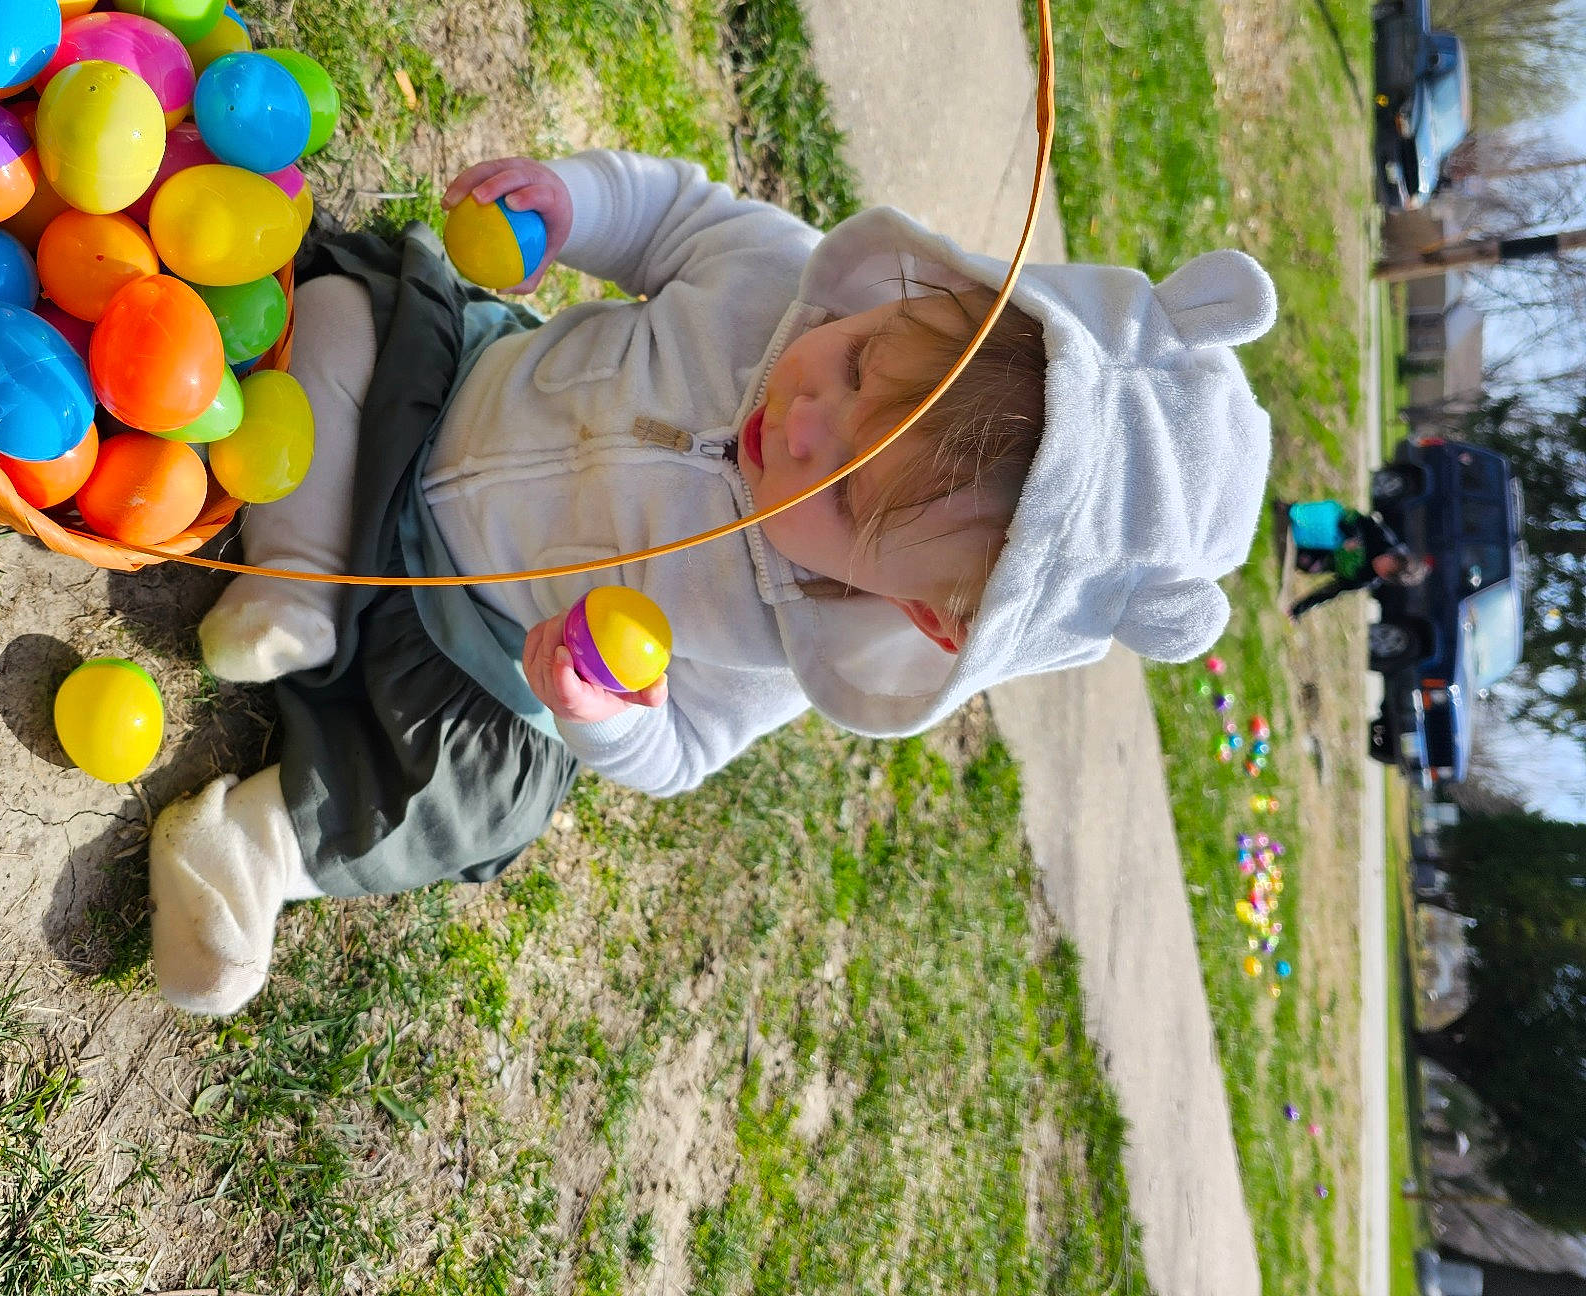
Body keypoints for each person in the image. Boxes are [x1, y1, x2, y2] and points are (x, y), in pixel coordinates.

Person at [148, 151, 1278, 1016]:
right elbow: (671, 216)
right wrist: (571, 204)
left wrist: (609, 718)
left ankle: (258, 847)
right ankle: (299, 578)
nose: (801, 420)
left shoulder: (790, 639)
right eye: (854, 361)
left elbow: (680, 749)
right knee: (346, 311)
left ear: (920, 609)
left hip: (466, 639)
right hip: (439, 392)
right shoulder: (772, 283)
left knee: (476, 797)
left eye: (844, 488)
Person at [1281, 498, 1426, 620]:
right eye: (1389, 558)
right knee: (1322, 523)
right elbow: (1353, 516)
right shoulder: (1382, 537)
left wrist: (1298, 609)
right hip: (1331, 528)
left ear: (1385, 577)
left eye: (1386, 568)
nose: (1382, 561)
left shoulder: (1366, 578)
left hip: (1327, 557)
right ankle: (1291, 510)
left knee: (1304, 562)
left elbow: (1332, 590)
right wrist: (1352, 534)